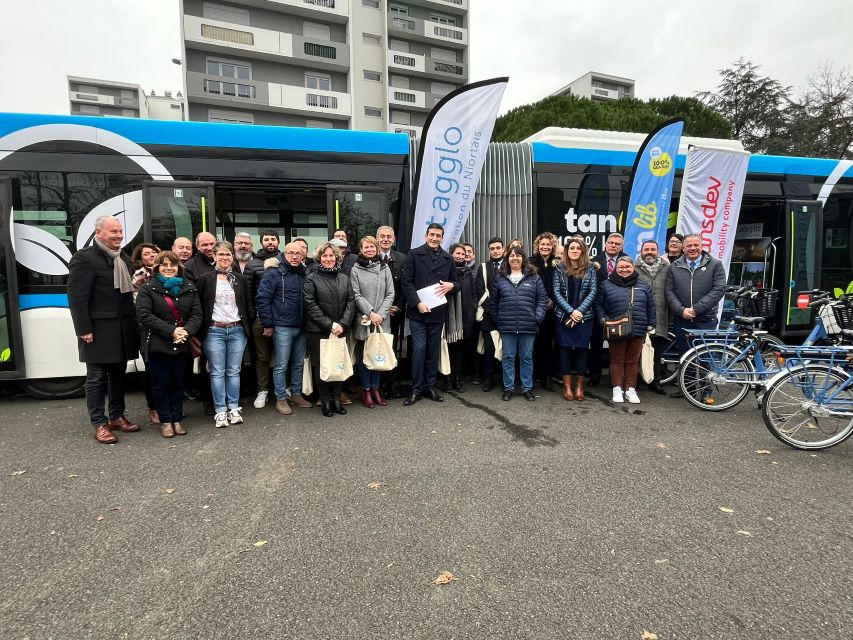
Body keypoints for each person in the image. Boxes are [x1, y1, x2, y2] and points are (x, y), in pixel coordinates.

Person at [67, 216, 140, 444]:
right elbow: (77, 298)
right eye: (113, 231)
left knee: (118, 376)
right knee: (96, 378)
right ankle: (99, 423)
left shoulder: (122, 257)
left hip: (122, 328)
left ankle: (116, 416)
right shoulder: (84, 258)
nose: (119, 235)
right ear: (99, 232)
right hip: (98, 329)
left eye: (120, 231)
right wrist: (83, 329)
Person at [135, 251, 202, 437]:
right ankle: (165, 421)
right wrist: (172, 331)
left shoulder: (189, 287)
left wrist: (186, 331)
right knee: (160, 385)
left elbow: (197, 314)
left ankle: (177, 419)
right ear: (157, 268)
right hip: (157, 343)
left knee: (178, 383)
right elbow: (144, 315)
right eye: (164, 265)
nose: (169, 268)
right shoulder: (147, 288)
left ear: (179, 267)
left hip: (182, 342)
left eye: (172, 265)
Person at [196, 241, 252, 428]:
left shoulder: (240, 279)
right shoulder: (204, 279)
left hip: (237, 330)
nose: (225, 258)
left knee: (234, 371)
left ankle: (233, 407)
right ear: (214, 256)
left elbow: (247, 305)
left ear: (232, 257)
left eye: (228, 254)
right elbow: (199, 306)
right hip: (214, 331)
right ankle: (220, 410)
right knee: (217, 372)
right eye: (221, 254)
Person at [401, 223, 457, 406]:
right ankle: (416, 389)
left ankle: (429, 386)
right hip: (418, 312)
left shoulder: (448, 259)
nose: (434, 238)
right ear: (426, 236)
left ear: (442, 238)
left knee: (433, 351)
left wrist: (452, 285)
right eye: (432, 234)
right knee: (419, 350)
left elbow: (456, 283)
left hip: (437, 313)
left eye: (438, 235)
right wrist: (417, 303)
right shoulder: (414, 254)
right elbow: (407, 282)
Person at [665, 233, 726, 397]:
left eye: (695, 245)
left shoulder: (715, 265)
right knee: (685, 356)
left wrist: (696, 309)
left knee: (706, 356)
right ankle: (688, 390)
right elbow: (669, 291)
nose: (692, 248)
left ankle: (706, 391)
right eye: (689, 246)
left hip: (705, 319)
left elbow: (719, 289)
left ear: (701, 246)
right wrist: (681, 310)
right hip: (682, 319)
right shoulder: (674, 266)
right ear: (683, 248)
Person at [255, 242, 312, 416]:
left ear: (303, 255)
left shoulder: (304, 273)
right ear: (284, 254)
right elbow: (263, 298)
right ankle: (280, 398)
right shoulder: (274, 272)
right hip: (282, 326)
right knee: (281, 365)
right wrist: (268, 324)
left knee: (298, 363)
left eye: (298, 253)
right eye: (291, 253)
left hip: (301, 325)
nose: (295, 256)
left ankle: (296, 394)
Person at [595, 256, 656, 404]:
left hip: (639, 328)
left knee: (632, 361)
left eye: (627, 267)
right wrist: (603, 319)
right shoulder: (606, 285)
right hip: (616, 328)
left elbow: (651, 306)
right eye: (621, 267)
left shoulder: (644, 285)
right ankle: (617, 389)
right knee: (617, 360)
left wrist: (651, 323)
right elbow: (598, 304)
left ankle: (630, 389)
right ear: (615, 268)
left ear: (633, 268)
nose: (624, 269)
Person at [304, 242, 356, 417]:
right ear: (320, 258)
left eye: (331, 255)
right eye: (325, 256)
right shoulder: (311, 278)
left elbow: (351, 302)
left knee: (338, 365)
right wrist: (329, 324)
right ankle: (325, 400)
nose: (328, 259)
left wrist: (342, 323)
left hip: (341, 330)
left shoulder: (344, 278)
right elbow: (310, 304)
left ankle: (336, 400)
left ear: (337, 258)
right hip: (319, 331)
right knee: (322, 366)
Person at [490, 246, 548, 401]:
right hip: (507, 325)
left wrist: (537, 317)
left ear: (523, 258)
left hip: (528, 325)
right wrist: (498, 318)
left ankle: (526, 388)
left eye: (518, 256)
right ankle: (508, 388)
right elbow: (493, 302)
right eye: (511, 256)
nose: (514, 258)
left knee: (526, 358)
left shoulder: (534, 277)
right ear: (507, 259)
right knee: (508, 357)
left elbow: (542, 299)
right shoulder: (500, 277)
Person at [350, 236, 395, 408]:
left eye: (372, 247)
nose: (369, 250)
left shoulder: (384, 267)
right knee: (364, 356)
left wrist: (381, 314)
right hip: (364, 319)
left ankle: (376, 389)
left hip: (381, 320)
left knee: (378, 355)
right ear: (361, 250)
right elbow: (356, 295)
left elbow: (390, 293)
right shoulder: (355, 269)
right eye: (366, 247)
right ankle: (366, 390)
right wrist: (370, 313)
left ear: (376, 249)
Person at [553, 238, 597, 401]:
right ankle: (567, 387)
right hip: (564, 316)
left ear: (583, 251)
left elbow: (593, 291)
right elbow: (556, 292)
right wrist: (571, 311)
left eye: (578, 248)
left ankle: (579, 387)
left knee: (582, 350)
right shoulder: (559, 268)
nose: (575, 250)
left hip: (584, 316)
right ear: (567, 250)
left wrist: (579, 312)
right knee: (564, 350)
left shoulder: (591, 268)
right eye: (572, 248)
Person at [245, 230, 283, 409]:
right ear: (261, 243)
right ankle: (263, 390)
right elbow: (248, 294)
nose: (270, 242)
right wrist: (254, 315)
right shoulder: (252, 264)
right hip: (260, 318)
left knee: (283, 356)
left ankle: (283, 389)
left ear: (278, 242)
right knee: (262, 357)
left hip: (282, 318)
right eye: (266, 239)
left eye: (273, 239)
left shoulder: (285, 261)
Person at [590, 232, 627, 386]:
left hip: (619, 308)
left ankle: (615, 379)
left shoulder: (627, 261)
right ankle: (595, 377)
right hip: (597, 307)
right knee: (596, 345)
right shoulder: (594, 261)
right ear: (605, 244)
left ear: (622, 247)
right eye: (611, 243)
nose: (613, 246)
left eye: (617, 244)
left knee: (617, 346)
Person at [130, 242, 161, 423]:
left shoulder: (166, 271)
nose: (151, 255)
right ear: (140, 259)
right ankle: (153, 408)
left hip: (169, 329)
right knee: (152, 372)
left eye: (154, 252)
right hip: (149, 330)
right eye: (147, 254)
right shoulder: (139, 277)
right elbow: (142, 308)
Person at [635, 240, 670, 395]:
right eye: (646, 249)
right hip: (639, 316)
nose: (649, 252)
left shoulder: (667, 268)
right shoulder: (634, 268)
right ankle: (635, 382)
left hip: (660, 314)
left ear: (658, 251)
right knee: (636, 351)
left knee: (656, 352)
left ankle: (655, 382)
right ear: (641, 251)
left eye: (653, 249)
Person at [376, 226, 407, 398]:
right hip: (375, 315)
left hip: (395, 313)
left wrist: (399, 306)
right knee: (377, 349)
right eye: (382, 236)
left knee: (392, 349)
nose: (386, 239)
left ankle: (391, 384)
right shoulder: (371, 256)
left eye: (389, 236)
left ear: (393, 239)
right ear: (377, 238)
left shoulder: (402, 258)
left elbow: (406, 285)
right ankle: (377, 386)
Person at [445, 243, 477, 391]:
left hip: (465, 316)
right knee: (447, 349)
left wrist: (473, 308)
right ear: (451, 254)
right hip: (448, 317)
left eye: (463, 254)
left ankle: (457, 379)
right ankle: (447, 379)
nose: (460, 256)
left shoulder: (468, 272)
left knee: (460, 350)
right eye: (457, 253)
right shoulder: (445, 270)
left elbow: (474, 294)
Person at [474, 237, 505, 391]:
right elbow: (480, 290)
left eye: (498, 248)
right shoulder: (483, 267)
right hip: (488, 314)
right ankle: (488, 379)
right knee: (488, 348)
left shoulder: (510, 265)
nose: (495, 251)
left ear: (503, 249)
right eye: (492, 248)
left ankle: (506, 379)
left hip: (507, 314)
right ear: (489, 250)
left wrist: (503, 309)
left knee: (507, 348)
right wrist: (492, 309)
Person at [530, 232, 559, 391]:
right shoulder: (530, 262)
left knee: (549, 344)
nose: (545, 247)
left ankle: (547, 378)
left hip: (553, 310)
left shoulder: (558, 263)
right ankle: (533, 377)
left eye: (548, 244)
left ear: (552, 246)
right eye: (543, 244)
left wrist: (552, 300)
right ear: (538, 246)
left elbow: (561, 285)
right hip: (535, 309)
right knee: (534, 344)